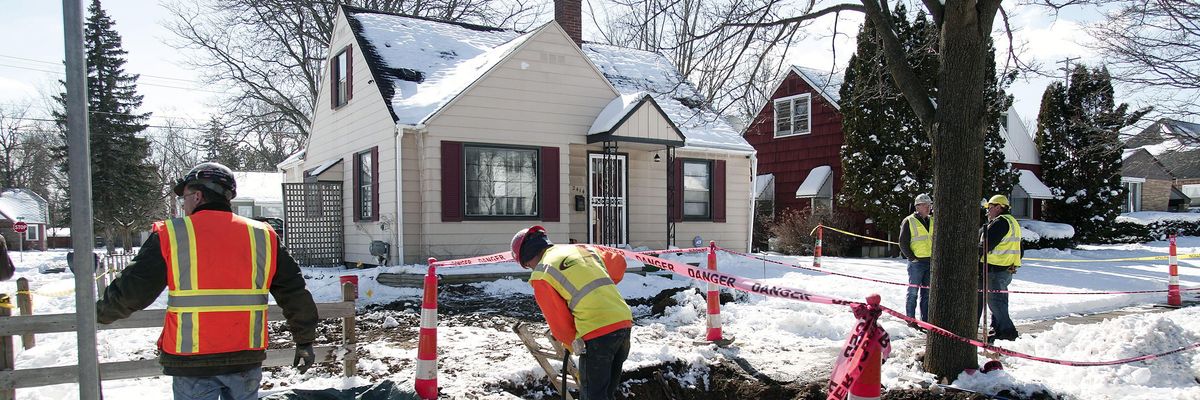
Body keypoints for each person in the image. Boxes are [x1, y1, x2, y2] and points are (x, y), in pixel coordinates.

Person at [96, 162, 319, 400]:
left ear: (198, 196)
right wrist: (304, 340)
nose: (184, 205)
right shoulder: (263, 236)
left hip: (193, 362)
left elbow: (132, 292)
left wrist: (96, 315)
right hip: (245, 358)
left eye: (185, 198)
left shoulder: (171, 234)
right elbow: (294, 292)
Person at [511, 226, 632, 400]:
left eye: (526, 265)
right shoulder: (581, 249)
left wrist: (569, 342)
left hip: (596, 333)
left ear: (528, 257)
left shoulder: (542, 273)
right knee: (605, 393)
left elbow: (559, 322)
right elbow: (618, 263)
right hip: (623, 322)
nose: (530, 268)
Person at [978, 194, 1021, 343]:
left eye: (990, 208)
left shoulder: (1000, 223)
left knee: (995, 302)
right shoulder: (1012, 222)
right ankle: (996, 329)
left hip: (995, 269)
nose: (988, 211)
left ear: (998, 207)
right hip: (1005, 268)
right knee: (1000, 301)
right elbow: (1019, 248)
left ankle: (1008, 332)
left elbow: (986, 246)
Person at [898, 193, 933, 325]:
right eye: (925, 205)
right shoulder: (909, 220)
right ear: (917, 206)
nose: (928, 208)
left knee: (927, 294)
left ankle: (926, 321)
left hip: (929, 261)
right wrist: (912, 258)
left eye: (929, 205)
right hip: (916, 263)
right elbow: (903, 242)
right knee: (913, 292)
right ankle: (911, 320)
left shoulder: (932, 221)